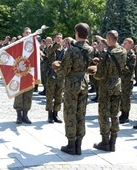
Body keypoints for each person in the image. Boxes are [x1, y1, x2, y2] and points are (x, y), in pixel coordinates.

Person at [56, 23, 93, 155]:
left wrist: (56, 69)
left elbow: (65, 69)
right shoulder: (90, 49)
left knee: (70, 113)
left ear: (77, 33)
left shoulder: (72, 50)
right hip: (84, 81)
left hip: (72, 84)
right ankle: (79, 145)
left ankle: (71, 144)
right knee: (81, 113)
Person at [92, 30, 127, 152]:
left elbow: (100, 74)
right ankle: (113, 142)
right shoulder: (123, 51)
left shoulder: (105, 55)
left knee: (104, 114)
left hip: (106, 86)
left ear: (110, 39)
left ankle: (105, 141)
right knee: (115, 113)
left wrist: (93, 73)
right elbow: (113, 48)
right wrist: (102, 40)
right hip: (117, 85)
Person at [14, 27, 33, 124]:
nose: (28, 34)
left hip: (29, 73)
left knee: (28, 95)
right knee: (19, 94)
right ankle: (19, 116)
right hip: (19, 72)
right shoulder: (18, 44)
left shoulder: (34, 44)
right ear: (23, 33)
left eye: (30, 32)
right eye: (27, 32)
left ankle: (25, 115)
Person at [46, 33, 65, 123]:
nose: (59, 39)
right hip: (51, 74)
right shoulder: (50, 47)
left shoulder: (64, 50)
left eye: (60, 38)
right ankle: (49, 115)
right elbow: (49, 53)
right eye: (57, 38)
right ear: (54, 39)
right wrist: (57, 45)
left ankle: (56, 114)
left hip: (60, 75)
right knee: (50, 95)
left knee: (59, 95)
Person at [119, 38, 136, 124]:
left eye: (125, 43)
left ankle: (126, 115)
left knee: (126, 98)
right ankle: (122, 113)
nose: (123, 44)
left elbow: (130, 68)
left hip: (127, 79)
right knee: (121, 97)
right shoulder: (123, 54)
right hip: (121, 78)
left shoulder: (132, 55)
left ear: (130, 44)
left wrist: (121, 65)